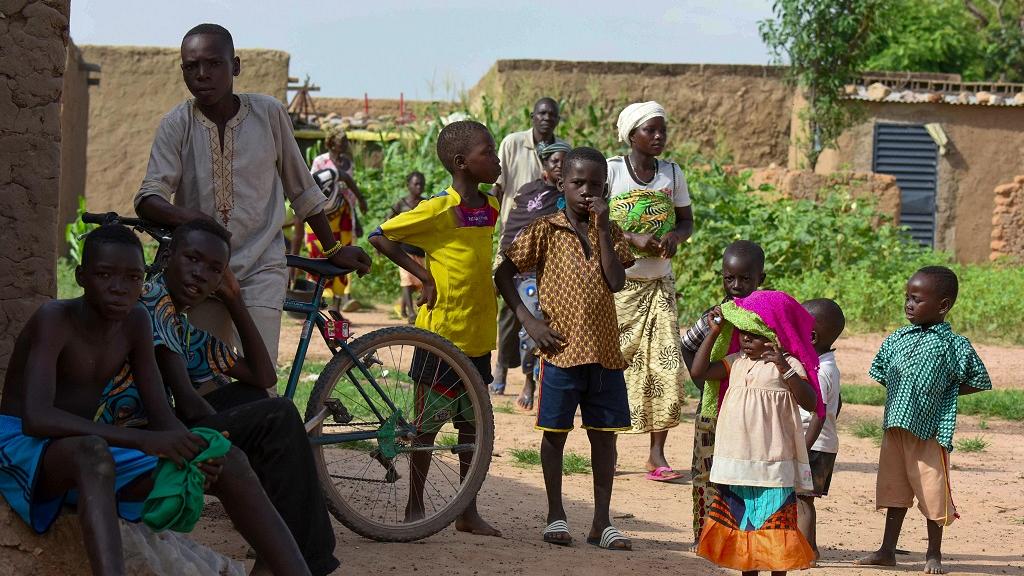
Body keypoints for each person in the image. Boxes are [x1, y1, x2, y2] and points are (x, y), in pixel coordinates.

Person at [0, 225, 310, 576]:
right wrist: (147, 441)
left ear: (142, 279)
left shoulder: (137, 321)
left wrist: (193, 451)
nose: (119, 289)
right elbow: (36, 418)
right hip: (26, 448)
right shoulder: (54, 319)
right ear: (81, 277)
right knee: (93, 452)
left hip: (87, 448)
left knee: (228, 459)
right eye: (104, 275)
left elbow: (164, 416)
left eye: (132, 278)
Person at [134, 23, 371, 365]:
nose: (202, 74)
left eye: (214, 63)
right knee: (209, 376)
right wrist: (195, 220)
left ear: (236, 66)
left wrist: (332, 247)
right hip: (202, 271)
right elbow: (148, 198)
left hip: (262, 265)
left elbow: (301, 188)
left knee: (259, 374)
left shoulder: (268, 113)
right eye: (191, 66)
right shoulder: (177, 124)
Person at [139, 219, 339, 575]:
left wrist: (234, 299)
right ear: (168, 256)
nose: (200, 274)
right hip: (141, 433)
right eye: (193, 259)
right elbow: (187, 404)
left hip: (162, 422)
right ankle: (305, 561)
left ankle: (275, 553)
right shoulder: (154, 303)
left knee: (255, 397)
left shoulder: (182, 326)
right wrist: (227, 437)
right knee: (275, 416)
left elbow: (262, 375)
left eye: (214, 269)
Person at [496, 146, 635, 550]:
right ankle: (556, 514)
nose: (586, 191)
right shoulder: (545, 228)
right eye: (577, 183)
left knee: (604, 438)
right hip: (560, 352)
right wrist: (528, 319)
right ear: (562, 184)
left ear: (605, 189)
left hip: (606, 352)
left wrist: (606, 228)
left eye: (595, 185)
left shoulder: (609, 231)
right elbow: (503, 271)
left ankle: (601, 522)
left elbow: (615, 282)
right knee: (555, 434)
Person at [368, 119, 502, 538]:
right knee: (426, 427)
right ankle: (415, 506)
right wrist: (423, 276)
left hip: (478, 335)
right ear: (462, 163)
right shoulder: (438, 209)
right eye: (488, 153)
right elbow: (380, 237)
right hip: (442, 338)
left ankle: (467, 510)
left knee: (472, 428)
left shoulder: (490, 208)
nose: (496, 160)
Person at [856, 266, 991, 575]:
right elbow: (881, 371)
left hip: (930, 432)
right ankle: (887, 551)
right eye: (907, 298)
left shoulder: (954, 345)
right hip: (895, 428)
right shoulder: (897, 338)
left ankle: (933, 554)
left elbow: (980, 379)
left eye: (916, 299)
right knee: (894, 490)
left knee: (932, 492)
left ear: (942, 306)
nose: (909, 304)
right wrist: (905, 397)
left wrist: (945, 395)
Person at [690, 290, 825, 575]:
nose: (746, 340)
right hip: (738, 462)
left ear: (774, 335)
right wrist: (713, 333)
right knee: (745, 527)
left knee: (775, 526)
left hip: (773, 463)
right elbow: (698, 372)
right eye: (742, 333)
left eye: (754, 334)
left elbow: (811, 402)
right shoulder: (736, 362)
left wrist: (783, 366)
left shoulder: (787, 365)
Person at [607, 101, 694, 482]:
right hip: (619, 285)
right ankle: (605, 446)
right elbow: (591, 219)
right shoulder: (611, 172)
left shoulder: (672, 174)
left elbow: (687, 220)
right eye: (650, 131)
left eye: (662, 130)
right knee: (614, 364)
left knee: (667, 366)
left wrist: (676, 236)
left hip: (660, 283)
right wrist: (629, 237)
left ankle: (656, 453)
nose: (658, 137)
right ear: (632, 135)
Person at [680, 240, 766, 548]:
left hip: (753, 415)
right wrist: (704, 385)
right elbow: (687, 347)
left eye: (745, 279)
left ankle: (740, 537)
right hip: (714, 412)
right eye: (730, 278)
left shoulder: (766, 318)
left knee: (746, 476)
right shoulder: (715, 317)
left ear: (761, 279)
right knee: (707, 475)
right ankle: (705, 536)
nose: (737, 285)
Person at [491, 97, 568, 397]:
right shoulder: (513, 144)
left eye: (552, 114)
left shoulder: (562, 150)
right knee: (510, 309)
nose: (547, 118)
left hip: (549, 248)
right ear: (532, 116)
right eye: (541, 113)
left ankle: (536, 376)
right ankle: (501, 366)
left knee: (544, 308)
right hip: (514, 238)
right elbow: (499, 189)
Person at [292, 127, 368, 313]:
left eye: (346, 141)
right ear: (332, 143)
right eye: (342, 142)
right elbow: (310, 186)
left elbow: (349, 190)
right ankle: (315, 302)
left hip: (343, 214)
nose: (346, 145)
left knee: (343, 253)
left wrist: (356, 216)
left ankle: (337, 306)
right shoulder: (321, 162)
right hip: (320, 214)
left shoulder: (347, 163)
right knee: (317, 253)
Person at [796, 298, 845, 563]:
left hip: (813, 445)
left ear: (811, 337)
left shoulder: (821, 371)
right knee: (804, 498)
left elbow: (819, 413)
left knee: (802, 499)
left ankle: (805, 552)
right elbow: (838, 403)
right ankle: (811, 549)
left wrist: (804, 446)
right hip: (821, 443)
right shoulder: (825, 365)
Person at [387, 171, 427, 324]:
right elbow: (388, 221)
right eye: (416, 184)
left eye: (421, 184)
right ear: (408, 185)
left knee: (418, 282)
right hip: (404, 249)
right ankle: (411, 313)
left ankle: (403, 306)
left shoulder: (425, 203)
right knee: (407, 280)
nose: (419, 187)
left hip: (421, 249)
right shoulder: (401, 203)